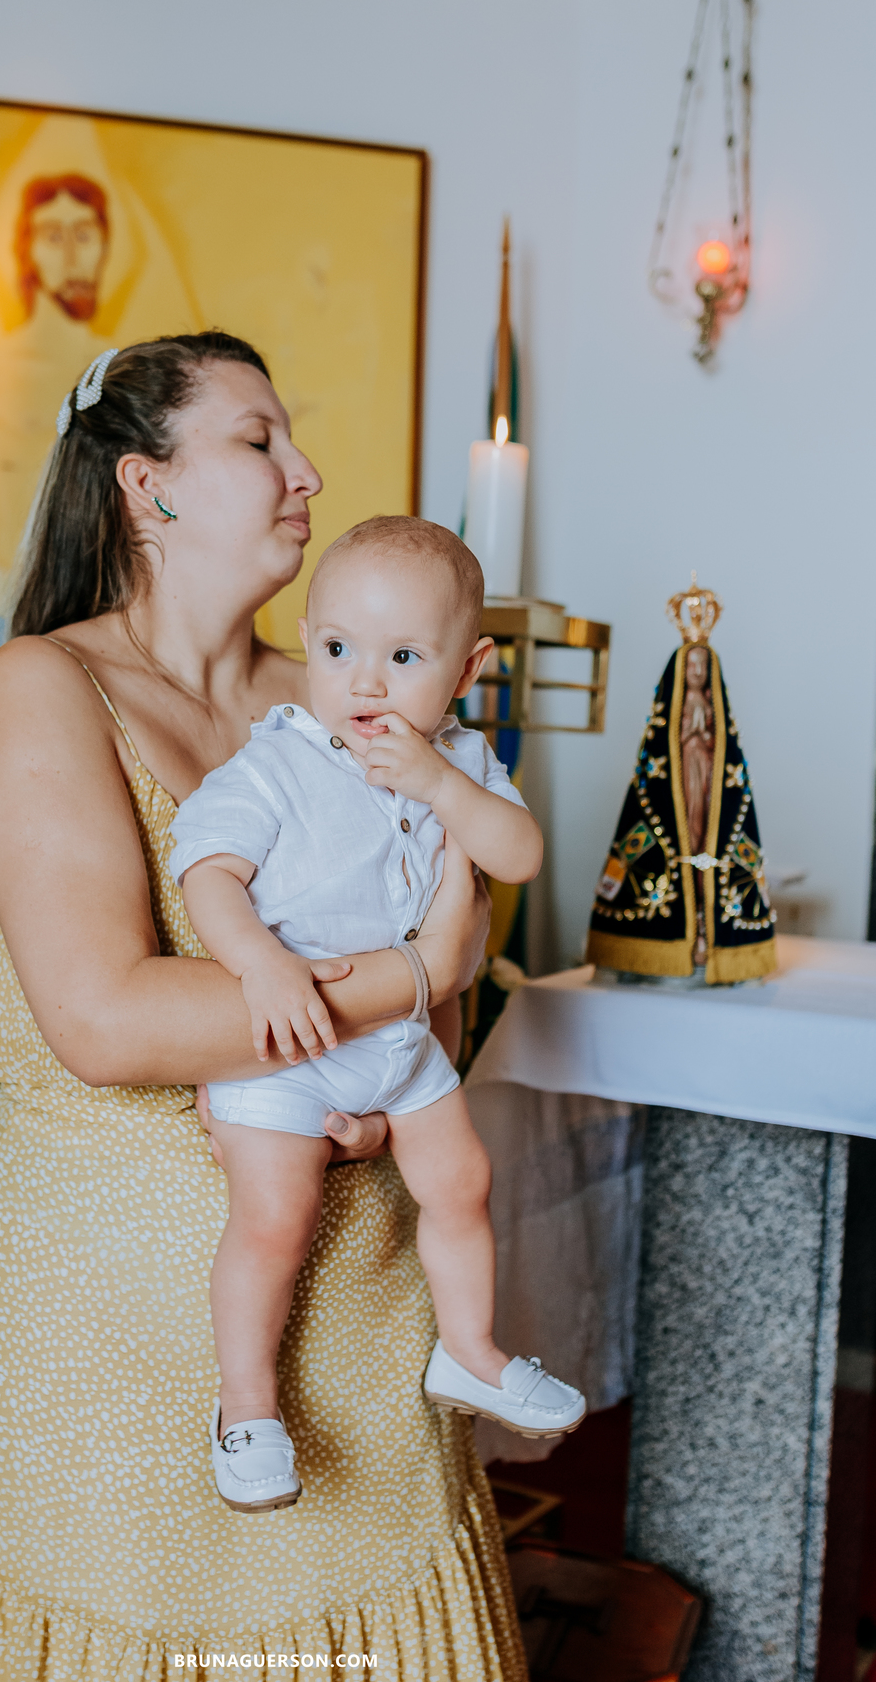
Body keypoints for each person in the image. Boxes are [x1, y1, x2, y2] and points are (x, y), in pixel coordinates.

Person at [0, 333, 528, 1678]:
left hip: (357, 1316)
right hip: (95, 1338)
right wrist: (408, 981)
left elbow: (459, 979)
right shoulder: (46, 685)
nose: (306, 472)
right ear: (148, 487)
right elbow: (108, 1017)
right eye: (259, 441)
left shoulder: (352, 696)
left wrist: (397, 1054)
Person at [172, 517, 585, 1512]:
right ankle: (245, 1406)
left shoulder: (459, 758)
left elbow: (518, 855)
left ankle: (472, 1352)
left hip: (400, 1047)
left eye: (403, 658)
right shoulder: (280, 761)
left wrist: (442, 784)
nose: (366, 683)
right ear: (306, 638)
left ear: (467, 667)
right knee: (276, 1215)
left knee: (463, 1180)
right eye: (338, 651)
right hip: (288, 1046)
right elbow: (209, 873)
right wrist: (261, 964)